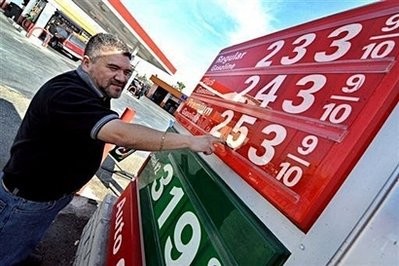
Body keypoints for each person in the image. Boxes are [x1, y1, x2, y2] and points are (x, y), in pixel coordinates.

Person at [0, 33, 223, 265]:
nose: (121, 77)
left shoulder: (96, 90)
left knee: (23, 242)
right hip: (26, 201)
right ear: (87, 63)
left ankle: (20, 250)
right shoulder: (67, 93)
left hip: (50, 197)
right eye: (113, 68)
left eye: (127, 72)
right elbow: (119, 133)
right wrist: (190, 141)